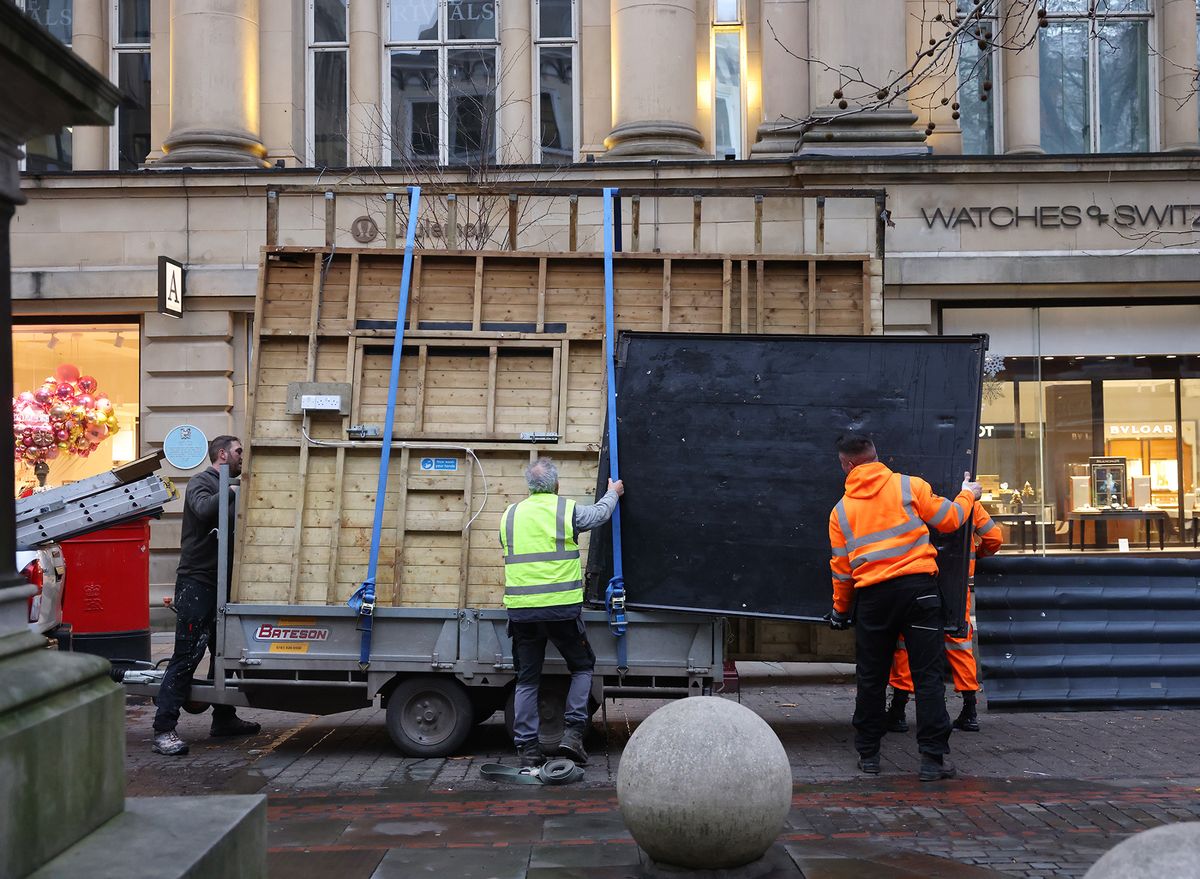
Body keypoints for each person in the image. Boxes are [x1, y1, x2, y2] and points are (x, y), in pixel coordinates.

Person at [826, 433, 982, 782]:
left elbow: (842, 572)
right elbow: (952, 519)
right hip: (919, 594)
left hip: (873, 601)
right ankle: (932, 760)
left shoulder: (840, 512)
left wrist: (840, 611)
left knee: (871, 678)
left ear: (848, 465)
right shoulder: (909, 487)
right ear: (877, 456)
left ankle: (869, 755)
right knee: (927, 678)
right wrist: (968, 494)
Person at [500, 456, 624, 769]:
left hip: (523, 613)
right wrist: (614, 492)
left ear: (529, 486)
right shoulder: (565, 510)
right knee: (583, 667)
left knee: (527, 681)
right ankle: (572, 735)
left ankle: (528, 748)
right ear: (556, 485)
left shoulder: (509, 516)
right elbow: (599, 514)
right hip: (561, 610)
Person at [152, 436, 260, 756]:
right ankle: (163, 730)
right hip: (196, 584)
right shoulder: (202, 481)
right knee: (187, 656)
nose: (243, 457)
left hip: (219, 584)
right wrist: (228, 489)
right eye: (239, 451)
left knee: (223, 654)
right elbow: (201, 509)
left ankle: (224, 718)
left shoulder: (227, 485)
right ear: (223, 454)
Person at [886, 503, 1003, 734]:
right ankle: (969, 711)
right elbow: (994, 538)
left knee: (906, 641)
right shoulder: (970, 505)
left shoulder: (914, 499)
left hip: (918, 578)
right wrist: (976, 556)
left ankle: (898, 710)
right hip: (956, 582)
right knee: (959, 640)